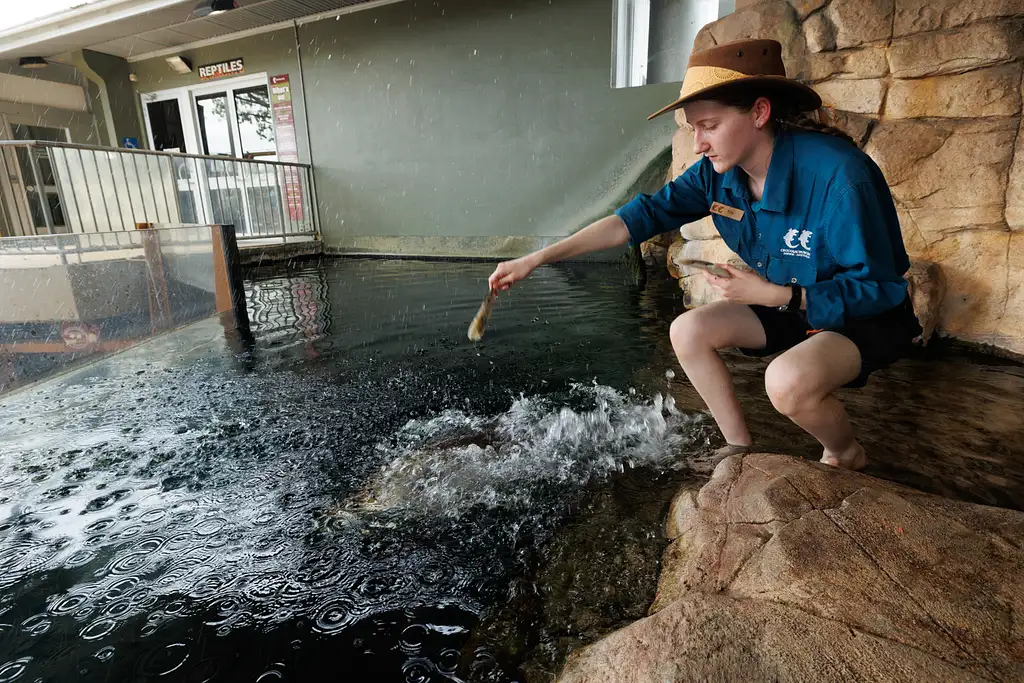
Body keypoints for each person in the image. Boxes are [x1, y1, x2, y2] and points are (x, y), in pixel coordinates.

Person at [487, 38, 922, 471]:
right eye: (693, 127)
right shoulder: (716, 176)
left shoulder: (841, 177)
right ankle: (739, 451)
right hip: (787, 300)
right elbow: (632, 220)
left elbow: (879, 288)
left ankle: (845, 453)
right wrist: (538, 259)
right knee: (688, 330)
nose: (698, 144)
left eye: (708, 126)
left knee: (785, 383)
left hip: (863, 317)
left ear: (758, 113)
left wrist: (781, 297)